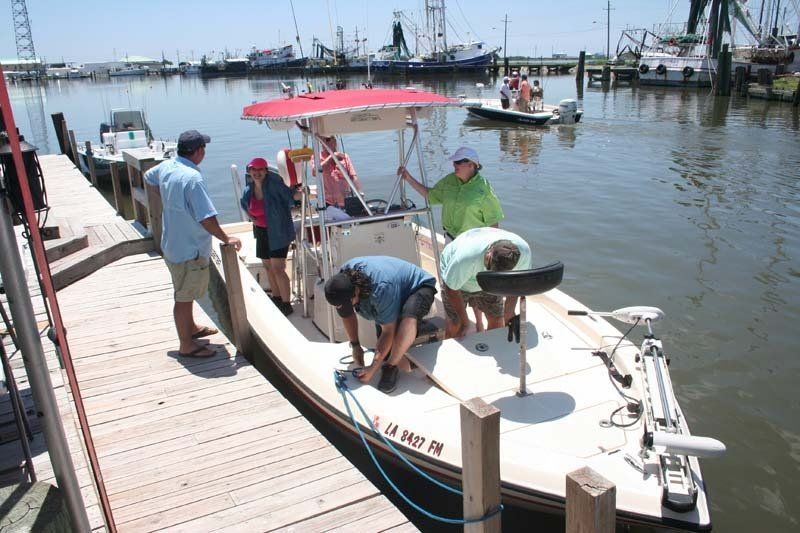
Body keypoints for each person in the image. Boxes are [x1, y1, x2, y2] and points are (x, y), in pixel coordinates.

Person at [144, 130, 242, 358]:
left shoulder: (168, 166)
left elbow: (149, 177)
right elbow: (207, 218)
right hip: (190, 250)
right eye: (203, 148)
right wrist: (226, 238)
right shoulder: (193, 178)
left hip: (171, 244)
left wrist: (168, 199)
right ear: (199, 151)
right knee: (184, 296)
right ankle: (186, 344)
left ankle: (191, 328)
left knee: (183, 290)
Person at [324, 256, 437, 393]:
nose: (348, 307)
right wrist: (355, 346)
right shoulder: (342, 282)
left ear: (355, 292)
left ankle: (390, 367)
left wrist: (373, 368)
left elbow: (388, 331)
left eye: (350, 303)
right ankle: (406, 335)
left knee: (407, 321)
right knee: (387, 349)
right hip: (392, 290)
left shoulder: (381, 289)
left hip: (418, 287)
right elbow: (347, 315)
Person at [440, 227, 532, 339]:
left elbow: (516, 284)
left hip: (491, 284)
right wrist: (465, 322)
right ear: (489, 252)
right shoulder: (466, 256)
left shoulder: (524, 253)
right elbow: (451, 289)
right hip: (458, 281)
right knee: (455, 325)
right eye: (490, 268)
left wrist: (509, 313)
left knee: (498, 321)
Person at [398, 146, 503, 241]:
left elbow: (493, 222)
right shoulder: (449, 180)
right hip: (450, 239)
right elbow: (430, 195)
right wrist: (408, 178)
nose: (454, 164)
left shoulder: (484, 189)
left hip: (474, 243)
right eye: (454, 161)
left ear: (471, 165)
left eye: (458, 162)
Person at [240, 157, 302, 316]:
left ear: (266, 171)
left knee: (278, 268)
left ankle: (287, 304)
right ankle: (277, 298)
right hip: (261, 232)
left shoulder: (275, 186)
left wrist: (301, 193)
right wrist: (250, 216)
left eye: (260, 169)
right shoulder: (249, 189)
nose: (257, 173)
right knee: (268, 267)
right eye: (254, 170)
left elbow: (291, 196)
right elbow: (244, 203)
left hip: (278, 232)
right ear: (250, 171)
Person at [311, 135, 363, 209]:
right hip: (327, 203)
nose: (324, 143)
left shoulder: (344, 156)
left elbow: (353, 176)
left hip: (346, 201)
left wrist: (360, 192)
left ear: (335, 141)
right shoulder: (316, 157)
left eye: (327, 140)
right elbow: (315, 172)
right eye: (322, 141)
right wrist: (332, 157)